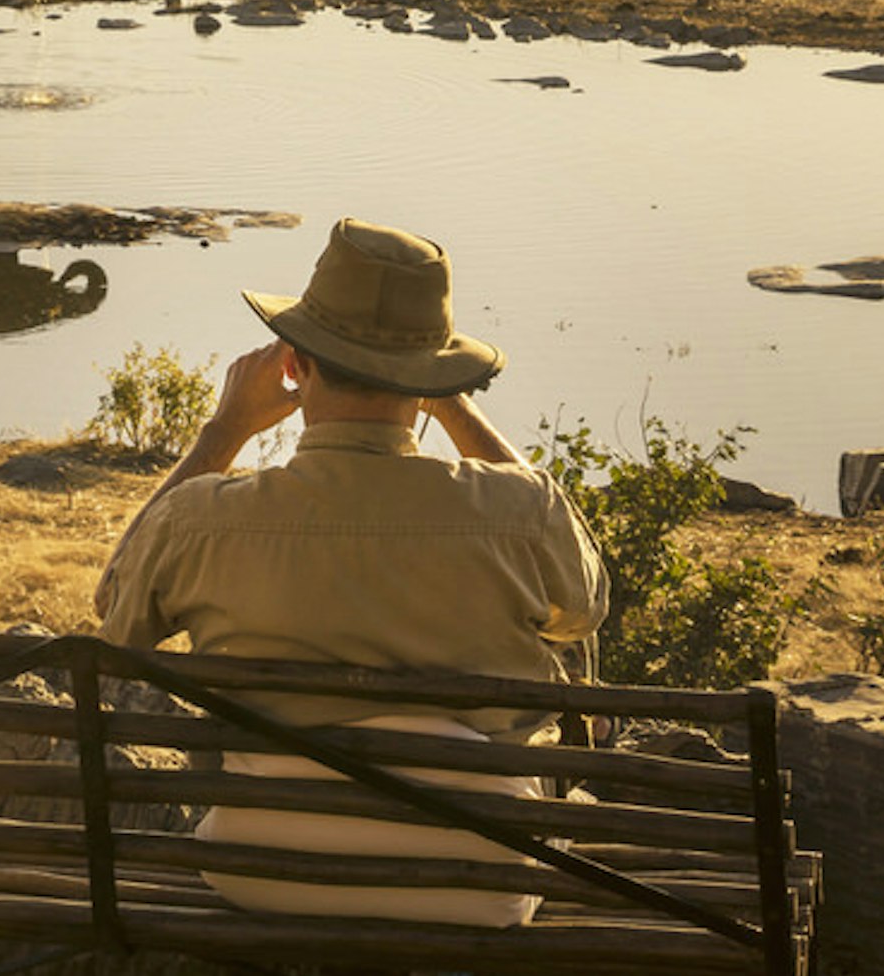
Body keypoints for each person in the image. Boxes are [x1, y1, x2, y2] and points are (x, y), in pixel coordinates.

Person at [93, 216, 607, 711]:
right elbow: (582, 611)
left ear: (293, 365)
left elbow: (115, 609)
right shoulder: (521, 510)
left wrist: (223, 433)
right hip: (477, 801)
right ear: (432, 380)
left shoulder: (198, 521)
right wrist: (450, 401)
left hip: (263, 802)